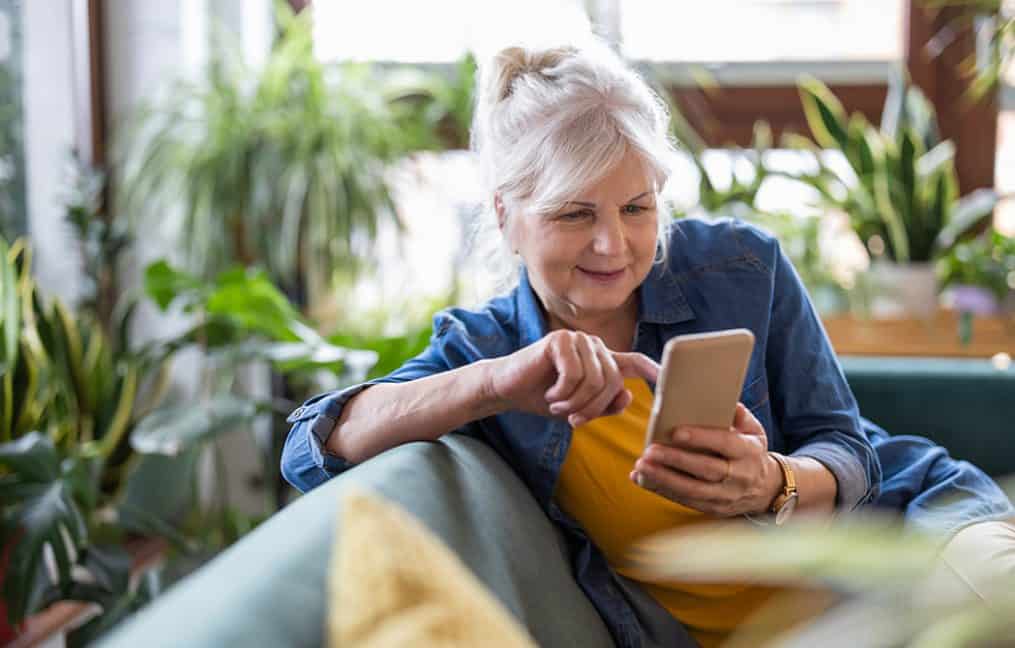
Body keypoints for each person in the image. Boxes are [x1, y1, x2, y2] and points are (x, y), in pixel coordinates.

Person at [282, 39, 1013, 648]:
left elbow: (846, 447)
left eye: (637, 206)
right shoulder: (490, 352)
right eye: (573, 213)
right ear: (505, 215)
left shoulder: (738, 267)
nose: (614, 244)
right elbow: (311, 447)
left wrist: (773, 484)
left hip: (907, 535)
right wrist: (500, 381)